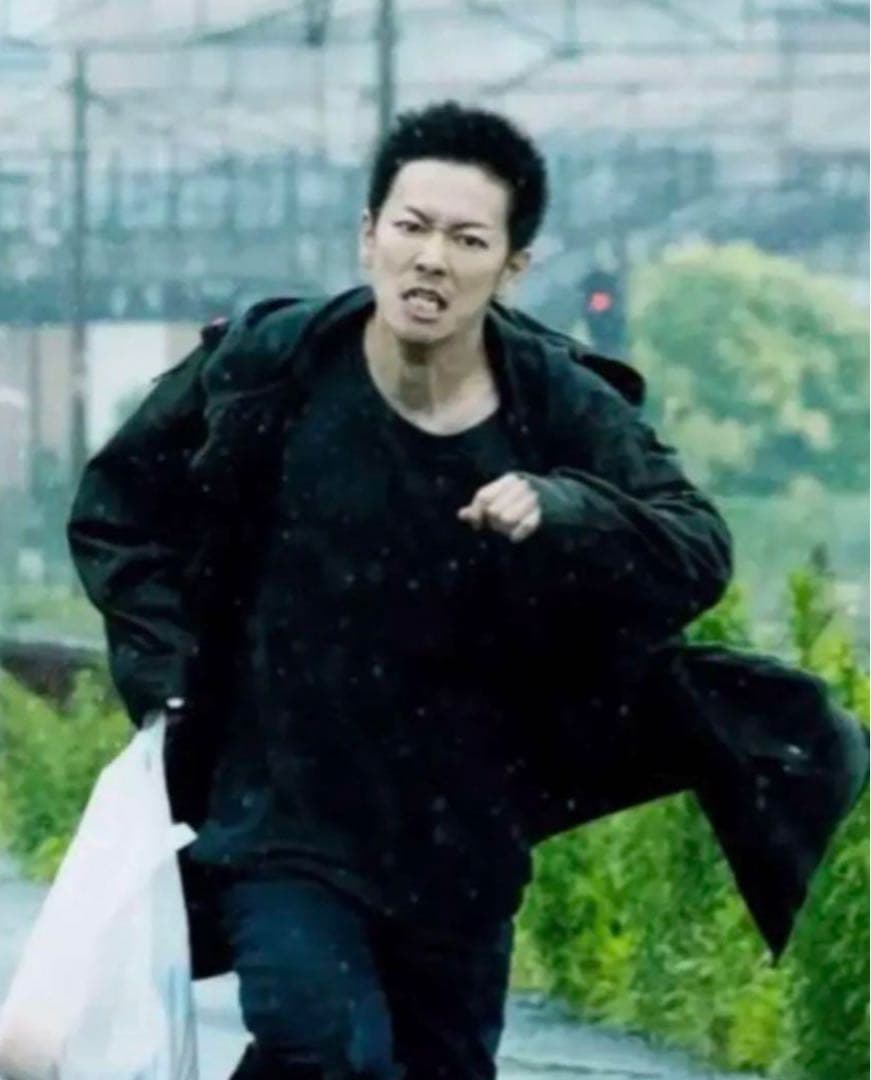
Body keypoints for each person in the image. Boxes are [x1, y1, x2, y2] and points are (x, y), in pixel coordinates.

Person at [67, 101, 813, 1079]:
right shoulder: (270, 367)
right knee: (326, 1047)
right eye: (411, 227)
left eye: (467, 239)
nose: (431, 259)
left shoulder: (557, 403)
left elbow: (695, 546)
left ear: (510, 267)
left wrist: (565, 509)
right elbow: (118, 509)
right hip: (282, 815)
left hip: (460, 835)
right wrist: (169, 681)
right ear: (368, 234)